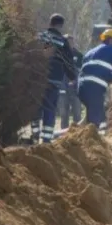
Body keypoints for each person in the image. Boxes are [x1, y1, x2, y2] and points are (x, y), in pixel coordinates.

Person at [77, 28, 112, 136]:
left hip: (81, 89)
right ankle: (94, 143)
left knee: (96, 113)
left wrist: (109, 72)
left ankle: (82, 135)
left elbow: (92, 68)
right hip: (94, 89)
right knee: (97, 121)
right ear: (111, 41)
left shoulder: (90, 52)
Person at [31, 13, 77, 143]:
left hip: (37, 79)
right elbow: (68, 62)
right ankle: (46, 140)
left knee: (36, 107)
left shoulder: (40, 36)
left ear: (50, 23)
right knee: (49, 108)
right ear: (61, 26)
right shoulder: (62, 41)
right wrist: (72, 77)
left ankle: (35, 135)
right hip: (54, 81)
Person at [62, 34, 83, 126]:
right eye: (67, 42)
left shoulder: (79, 55)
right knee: (64, 114)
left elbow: (81, 71)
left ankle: (78, 134)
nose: (70, 44)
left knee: (77, 114)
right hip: (63, 90)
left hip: (76, 90)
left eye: (71, 41)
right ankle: (63, 134)